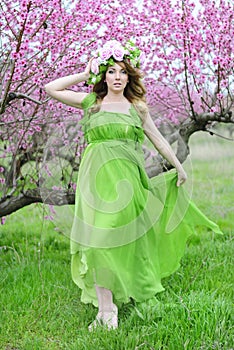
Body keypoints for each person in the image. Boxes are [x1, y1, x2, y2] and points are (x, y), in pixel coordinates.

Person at [45, 40, 222, 331]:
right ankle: (106, 309)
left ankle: (123, 296)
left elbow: (158, 139)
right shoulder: (92, 103)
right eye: (111, 71)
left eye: (122, 71)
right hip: (95, 180)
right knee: (97, 242)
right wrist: (85, 72)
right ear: (103, 76)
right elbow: (52, 88)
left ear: (129, 77)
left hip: (127, 181)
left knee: (120, 240)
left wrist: (178, 167)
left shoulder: (136, 108)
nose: (117, 76)